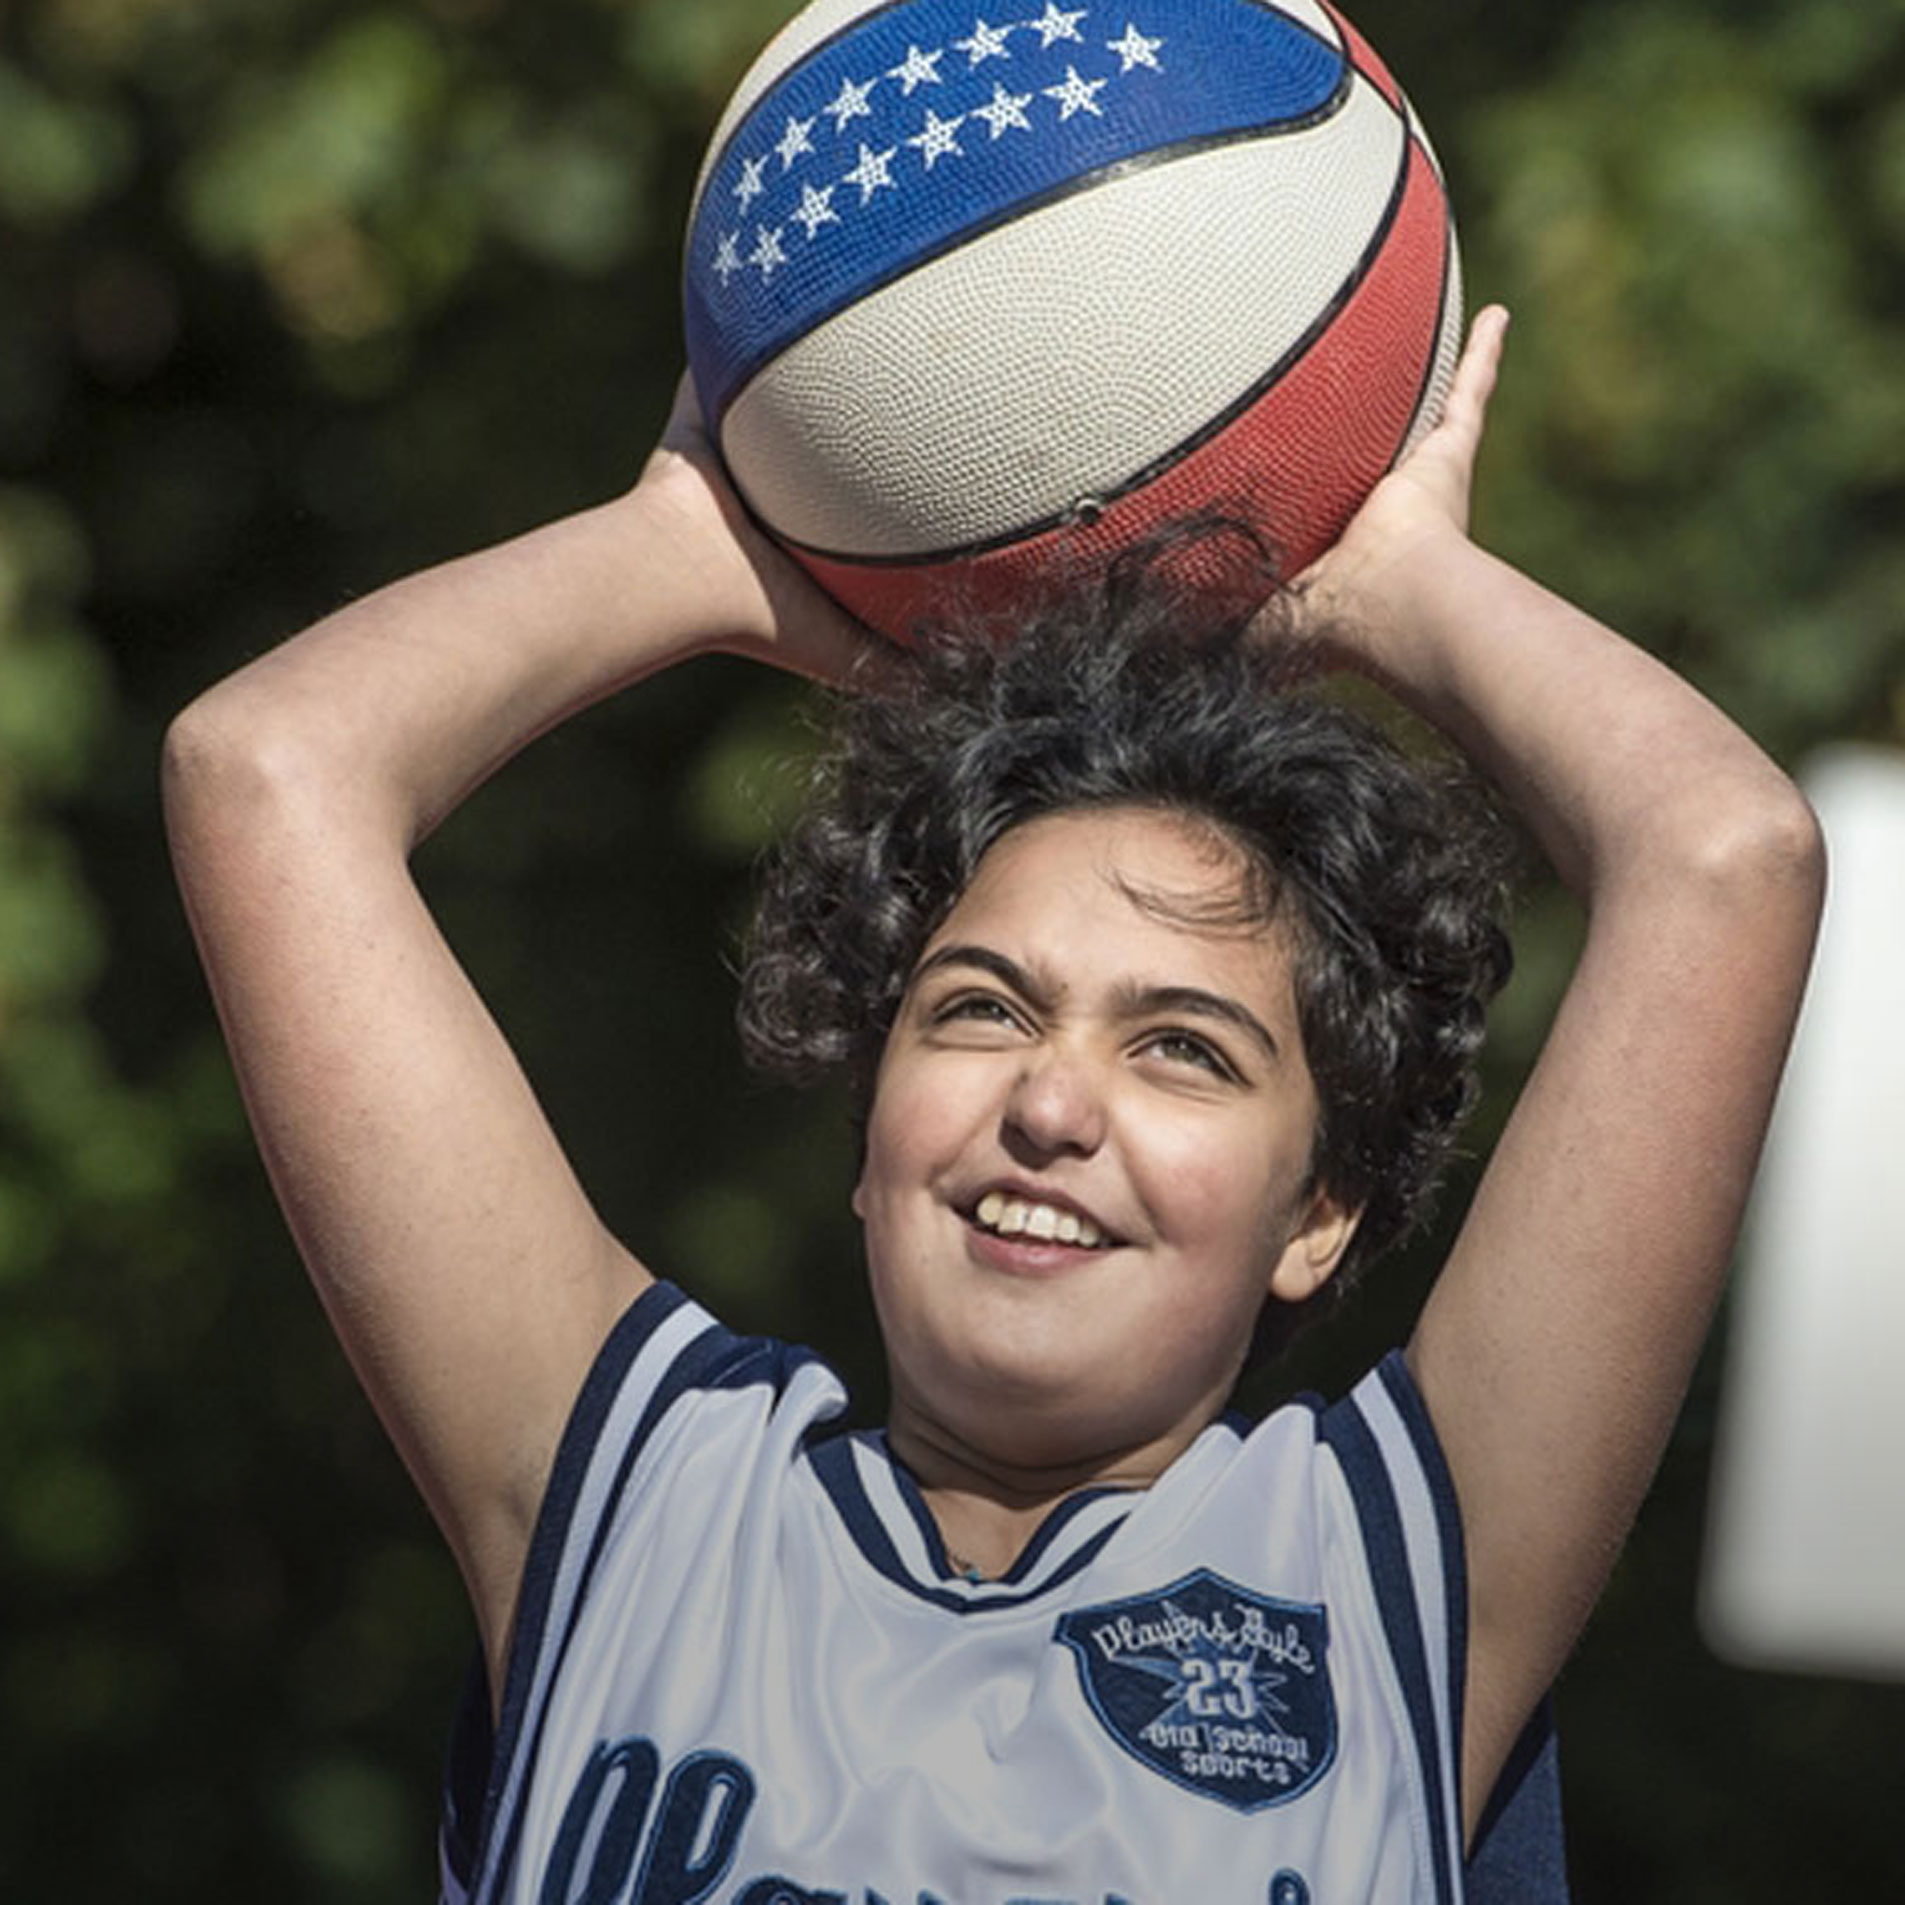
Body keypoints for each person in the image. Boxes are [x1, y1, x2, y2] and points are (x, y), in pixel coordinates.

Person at [162, 310, 1823, 1905]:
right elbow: (266, 771)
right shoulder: (636, 1498)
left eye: (1180, 1046)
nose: (1047, 1100)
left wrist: (1396, 589)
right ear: (874, 1139)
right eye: (978, 1009)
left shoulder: (1390, 1573)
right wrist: (687, 544)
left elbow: (1722, 863)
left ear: (1315, 1210)